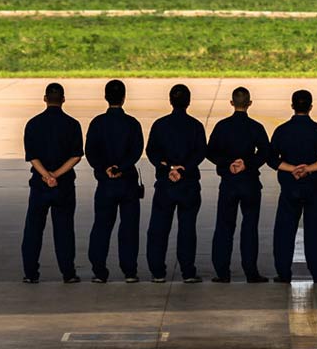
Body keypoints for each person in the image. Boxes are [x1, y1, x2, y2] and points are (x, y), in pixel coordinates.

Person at [268, 90, 317, 283]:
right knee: (314, 230)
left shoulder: (282, 130)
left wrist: (292, 169)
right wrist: (308, 169)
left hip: (290, 186)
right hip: (313, 186)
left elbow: (272, 159)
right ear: (311, 107)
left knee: (284, 231)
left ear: (292, 106)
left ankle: (283, 272)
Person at [21, 82, 83, 284]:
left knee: (33, 229)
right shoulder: (73, 125)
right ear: (63, 99)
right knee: (64, 230)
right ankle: (68, 273)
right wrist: (56, 175)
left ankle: (30, 273)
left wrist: (46, 176)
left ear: (45, 99)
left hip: (39, 185)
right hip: (63, 185)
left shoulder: (33, 124)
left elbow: (32, 156)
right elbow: (76, 156)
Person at [207, 87, 270, 283]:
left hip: (229, 182)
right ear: (249, 103)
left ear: (232, 103)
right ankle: (251, 271)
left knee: (224, 227)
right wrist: (247, 164)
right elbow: (266, 152)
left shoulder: (222, 126)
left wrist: (228, 164)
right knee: (249, 227)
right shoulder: (256, 127)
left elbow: (210, 152)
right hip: (249, 182)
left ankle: (222, 272)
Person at [146, 84, 206, 283]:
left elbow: (151, 151)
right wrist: (183, 169)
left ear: (170, 101)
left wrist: (168, 168)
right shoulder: (196, 126)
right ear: (188, 102)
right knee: (187, 228)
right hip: (188, 184)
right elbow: (200, 153)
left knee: (159, 228)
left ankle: (157, 271)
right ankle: (188, 271)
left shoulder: (160, 125)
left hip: (166, 183)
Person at [85, 80, 144, 283]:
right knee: (128, 228)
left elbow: (90, 151)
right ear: (124, 97)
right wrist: (122, 168)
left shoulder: (97, 123)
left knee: (101, 226)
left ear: (105, 97)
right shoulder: (132, 124)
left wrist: (105, 169)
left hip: (105, 184)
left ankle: (99, 270)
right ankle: (129, 270)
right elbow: (136, 151)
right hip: (127, 183)